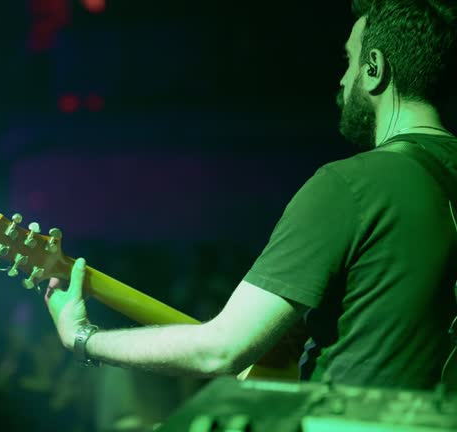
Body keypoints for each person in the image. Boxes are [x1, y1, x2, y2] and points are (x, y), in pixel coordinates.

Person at [45, 0, 457, 390]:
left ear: (374, 68)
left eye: (349, 61)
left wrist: (83, 336)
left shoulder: (351, 186)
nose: (342, 78)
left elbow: (221, 349)